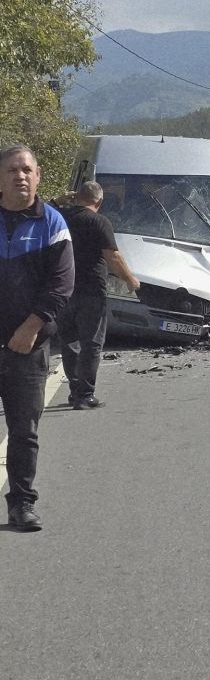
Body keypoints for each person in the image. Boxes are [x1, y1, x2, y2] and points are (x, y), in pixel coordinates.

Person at [0, 145, 75, 531]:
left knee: (23, 431)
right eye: (13, 169)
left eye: (27, 169)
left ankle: (22, 504)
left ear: (39, 175)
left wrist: (30, 329)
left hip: (27, 348)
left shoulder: (52, 223)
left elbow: (61, 286)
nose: (21, 176)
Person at [57, 181, 140, 410]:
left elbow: (39, 210)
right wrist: (130, 279)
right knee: (92, 342)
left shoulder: (60, 217)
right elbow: (113, 257)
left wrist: (60, 200)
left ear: (77, 197)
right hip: (91, 289)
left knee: (69, 340)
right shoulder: (99, 221)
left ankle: (75, 392)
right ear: (100, 202)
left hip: (62, 289)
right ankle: (85, 395)